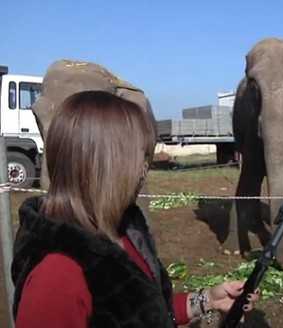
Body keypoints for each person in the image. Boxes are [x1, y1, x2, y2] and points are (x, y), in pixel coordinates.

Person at [11, 91, 258, 327]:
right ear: (107, 164)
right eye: (141, 156)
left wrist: (207, 300)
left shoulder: (125, 230)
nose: (144, 169)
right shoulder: (56, 280)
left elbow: (143, 310)